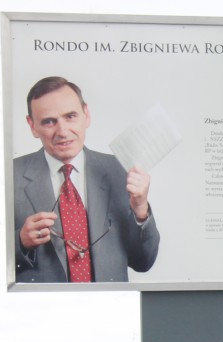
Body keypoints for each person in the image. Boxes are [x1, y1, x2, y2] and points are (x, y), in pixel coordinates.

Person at [14, 76, 159, 284]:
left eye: (70, 116)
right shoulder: (8, 175)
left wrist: (140, 209)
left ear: (86, 115)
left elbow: (143, 262)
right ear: (32, 126)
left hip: (109, 309)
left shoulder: (121, 171)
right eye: (49, 121)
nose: (62, 132)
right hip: (42, 311)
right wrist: (20, 242)